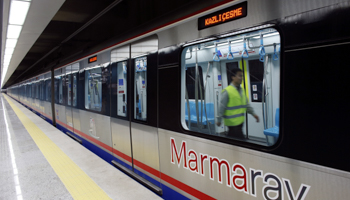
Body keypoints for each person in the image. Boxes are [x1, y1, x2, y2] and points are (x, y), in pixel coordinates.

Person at [216, 68, 259, 139]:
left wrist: (254, 114)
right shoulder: (227, 91)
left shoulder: (242, 90)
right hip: (232, 124)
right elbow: (221, 107)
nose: (241, 78)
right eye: (240, 76)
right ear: (233, 77)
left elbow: (246, 104)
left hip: (240, 123)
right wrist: (219, 120)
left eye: (242, 76)